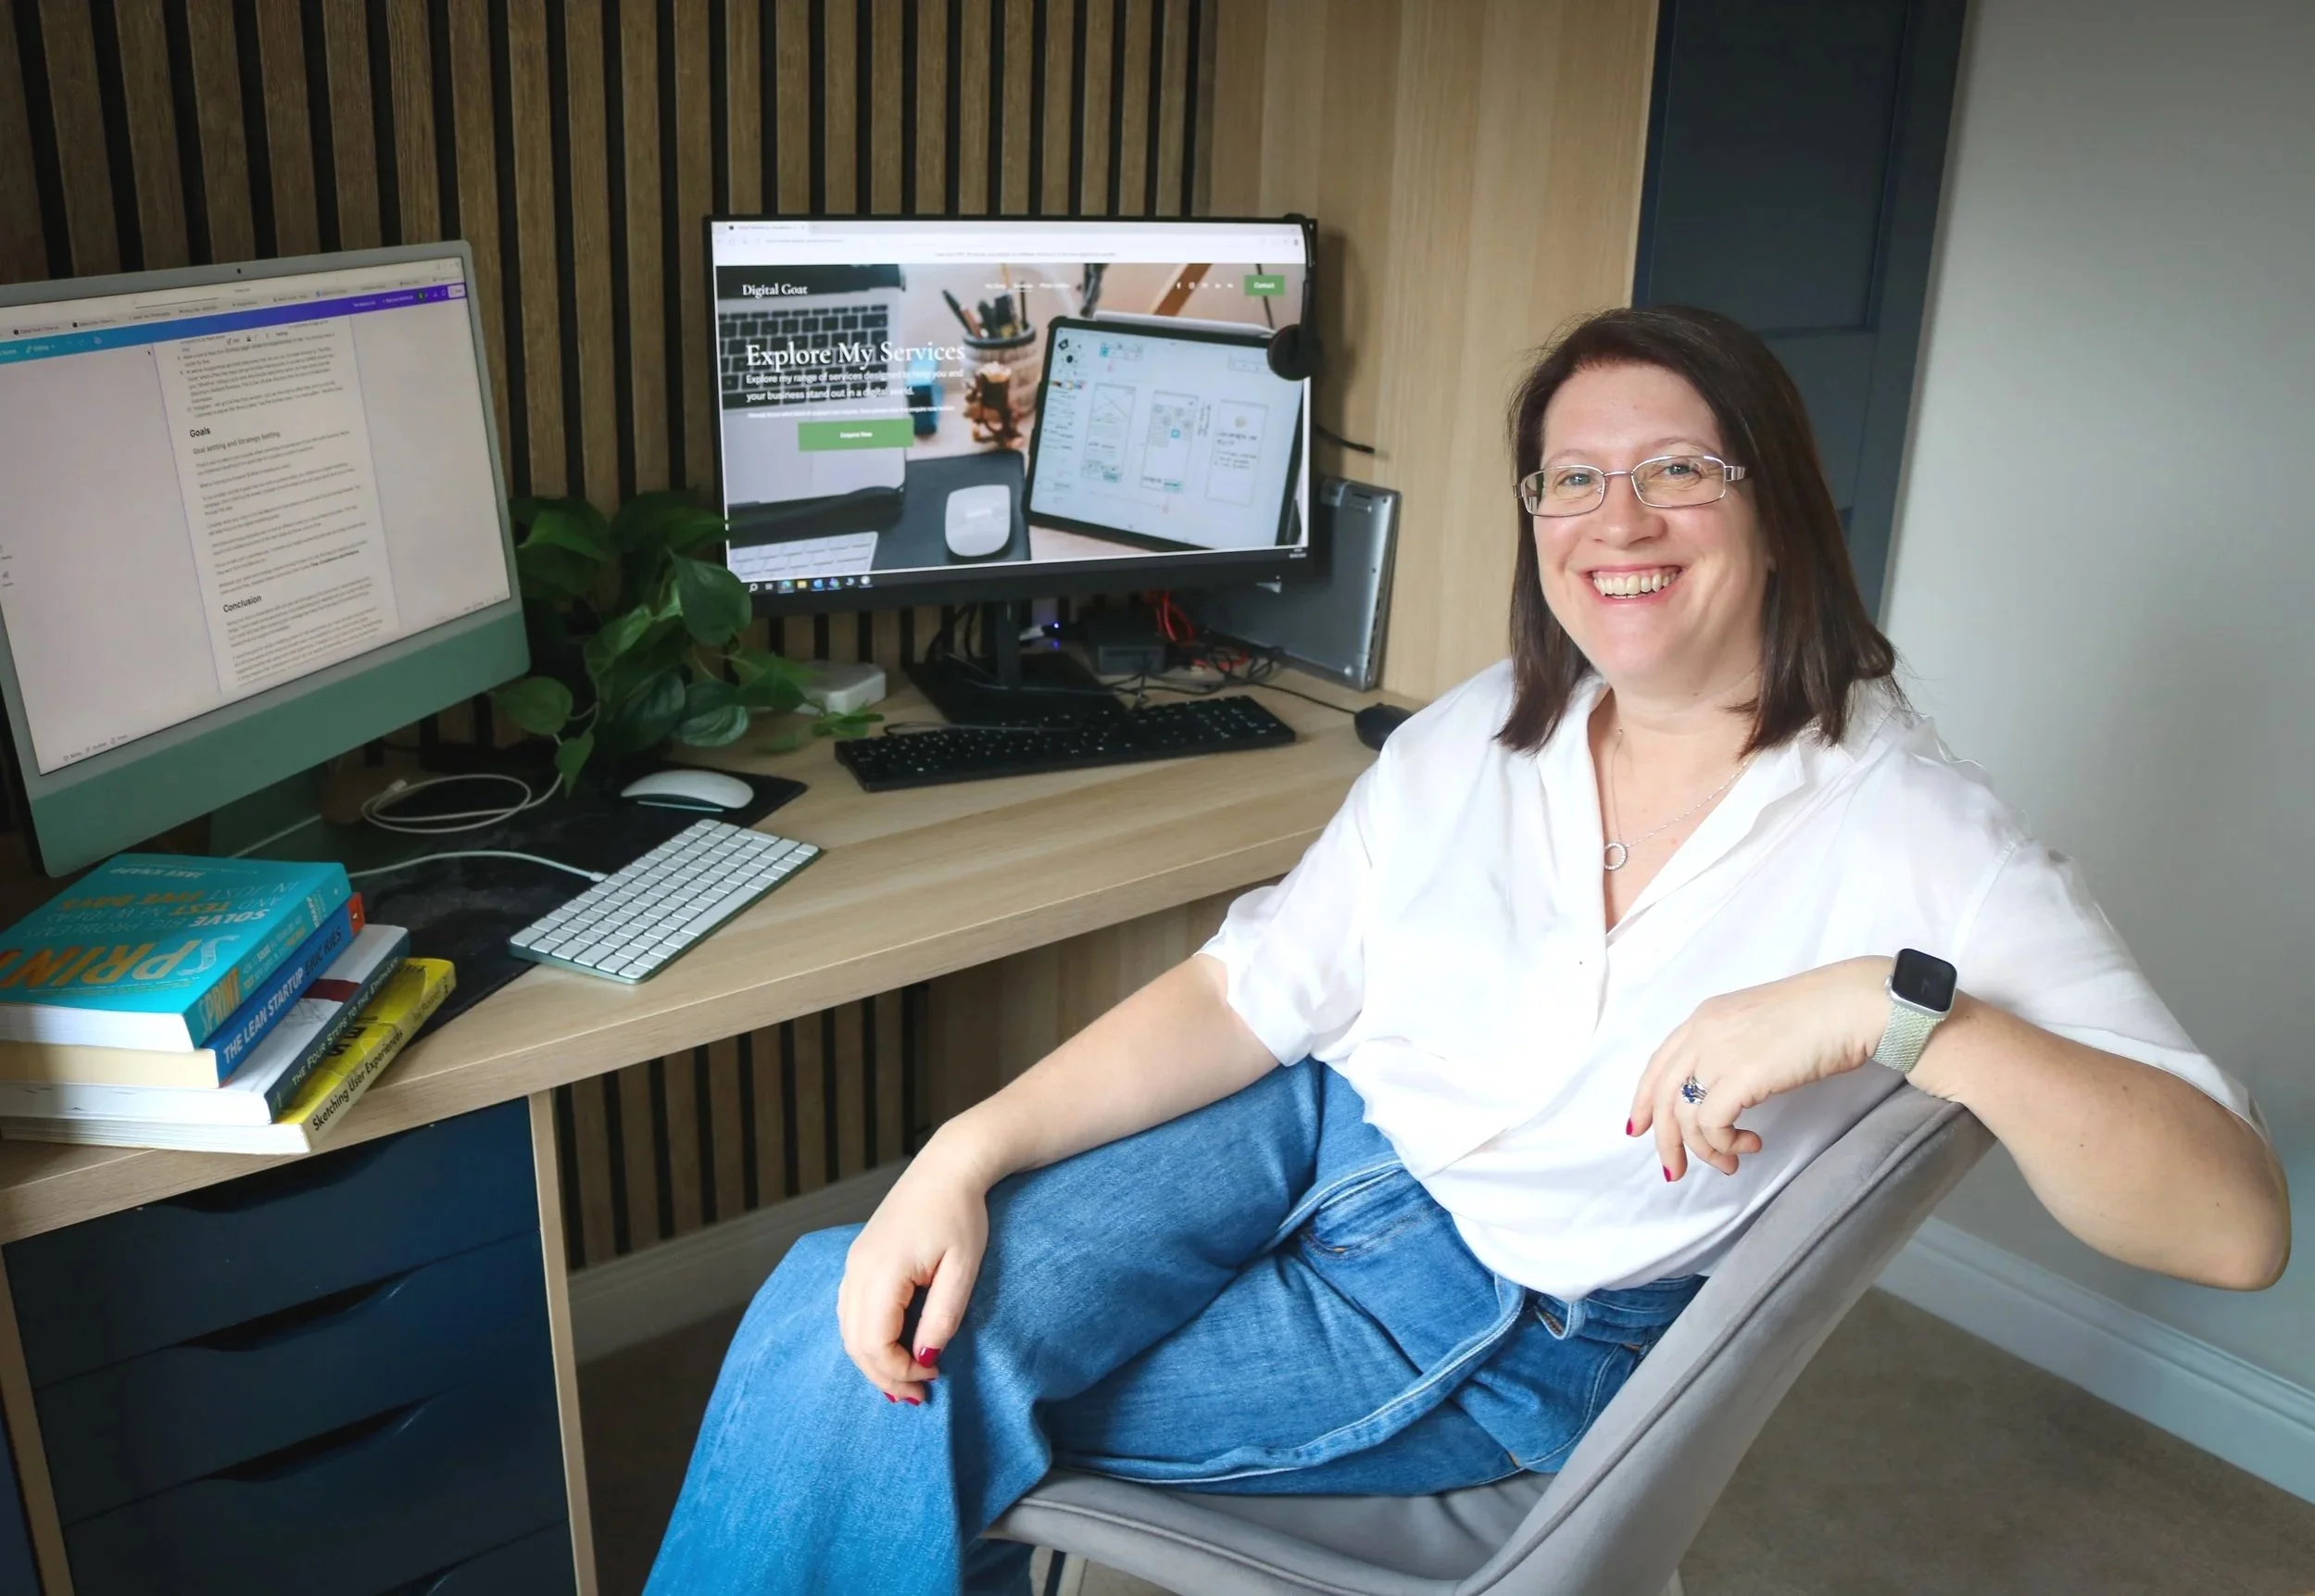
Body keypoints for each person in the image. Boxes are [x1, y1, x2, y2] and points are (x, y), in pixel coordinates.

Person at [644, 306, 2289, 1596]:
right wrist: (962, 1145)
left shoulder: (1917, 833)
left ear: (1778, 506)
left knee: (896, 1391)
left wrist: (1900, 1009)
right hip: (1313, 1125)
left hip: (1504, 1303)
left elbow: (2231, 1227)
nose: (1611, 517)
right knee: (842, 1293)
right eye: (1569, 476)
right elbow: (1250, 991)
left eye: (1675, 469)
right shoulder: (1478, 737)